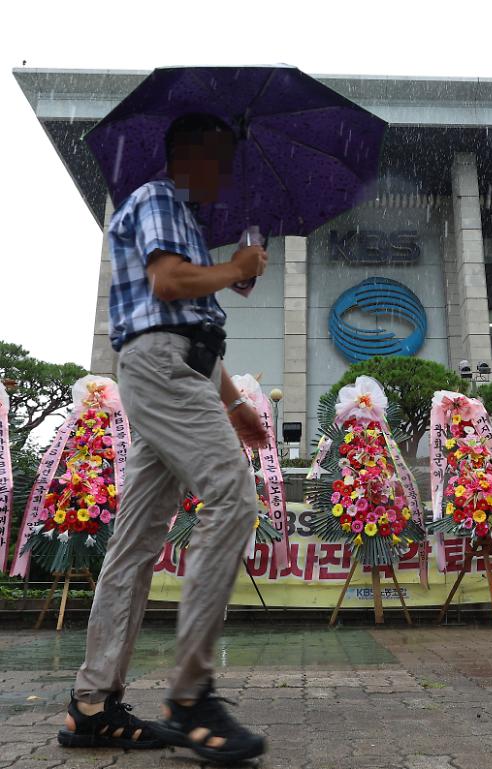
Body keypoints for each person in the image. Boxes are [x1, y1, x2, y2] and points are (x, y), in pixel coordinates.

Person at [58, 113, 269, 765]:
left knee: (135, 541)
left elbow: (193, 324)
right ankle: (189, 695)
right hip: (161, 369)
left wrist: (233, 402)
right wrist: (232, 266)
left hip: (180, 371)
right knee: (233, 498)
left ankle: (93, 703)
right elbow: (168, 283)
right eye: (223, 157)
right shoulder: (156, 198)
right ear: (193, 154)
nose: (228, 172)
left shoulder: (186, 220)